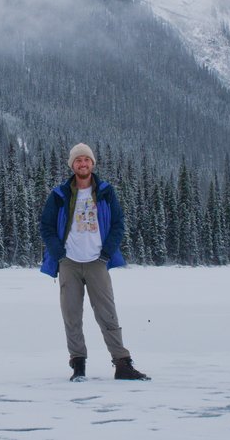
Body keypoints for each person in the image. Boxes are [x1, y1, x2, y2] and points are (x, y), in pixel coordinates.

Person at [38, 143, 150, 382]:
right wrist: (59, 253)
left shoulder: (106, 192)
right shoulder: (60, 194)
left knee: (107, 314)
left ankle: (122, 364)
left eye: (86, 160)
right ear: (72, 165)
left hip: (97, 262)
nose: (83, 164)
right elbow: (46, 225)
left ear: (92, 163)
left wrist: (107, 252)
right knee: (71, 315)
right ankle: (78, 366)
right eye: (78, 160)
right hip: (68, 262)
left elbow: (119, 223)